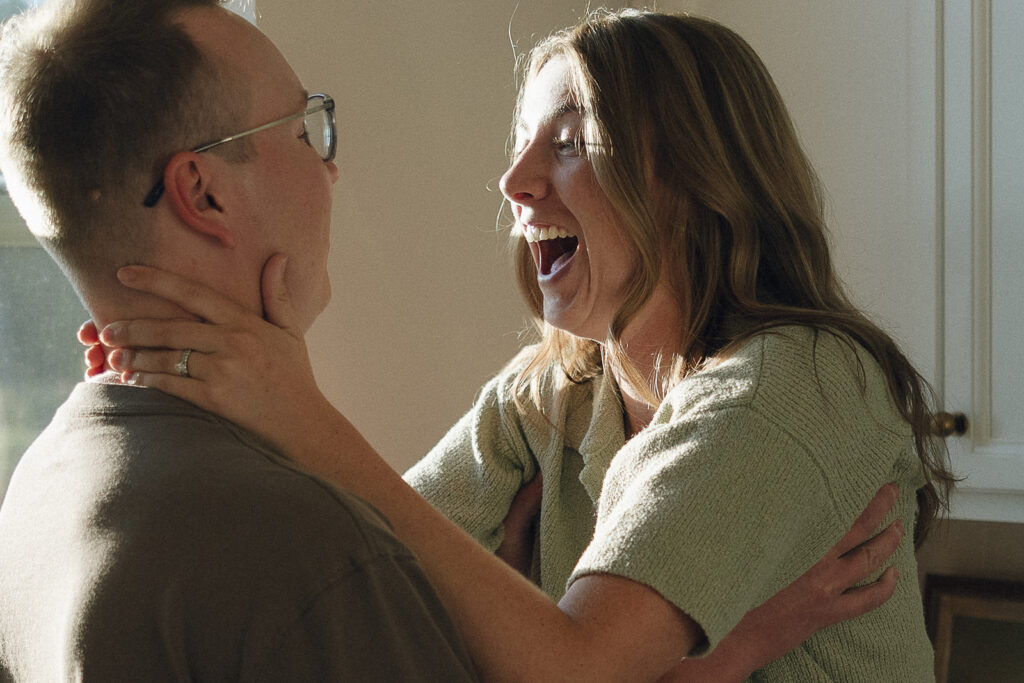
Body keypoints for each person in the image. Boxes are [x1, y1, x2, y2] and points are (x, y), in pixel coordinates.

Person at [72, 8, 925, 683]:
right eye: (522, 144)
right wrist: (208, 399)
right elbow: (363, 574)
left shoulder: (796, 382)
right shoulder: (556, 392)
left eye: (568, 142)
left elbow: (571, 667)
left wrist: (298, 408)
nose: (514, 182)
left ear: (699, 176)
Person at [0, 1, 481, 679]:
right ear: (204, 193)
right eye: (302, 130)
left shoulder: (37, 490)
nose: (329, 169)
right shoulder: (307, 552)